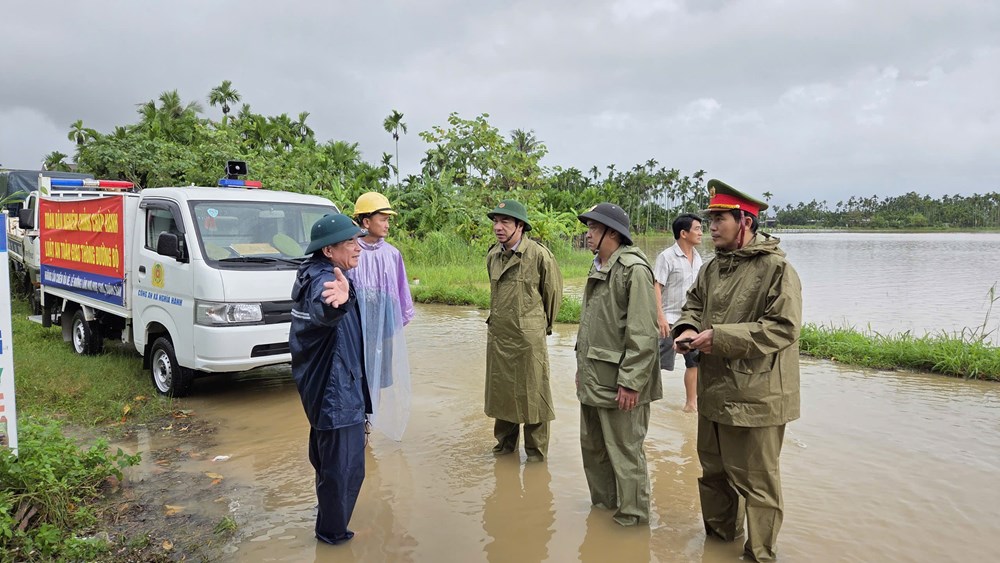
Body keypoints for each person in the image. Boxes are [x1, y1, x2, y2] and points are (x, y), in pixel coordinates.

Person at [672, 180, 802, 562]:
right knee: (714, 474)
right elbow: (693, 304)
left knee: (758, 484)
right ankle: (718, 542)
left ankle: (759, 554)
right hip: (714, 391)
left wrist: (721, 339)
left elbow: (784, 327)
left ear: (745, 221)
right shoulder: (712, 268)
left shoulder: (777, 270)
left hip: (758, 397)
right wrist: (689, 329)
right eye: (709, 219)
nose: (710, 226)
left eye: (719, 219)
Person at [574, 202, 662, 526]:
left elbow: (643, 333)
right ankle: (603, 511)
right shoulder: (598, 265)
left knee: (626, 454)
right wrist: (581, 370)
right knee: (594, 449)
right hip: (594, 377)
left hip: (621, 384)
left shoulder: (634, 270)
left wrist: (631, 382)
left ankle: (633, 523)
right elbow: (592, 325)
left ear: (612, 233)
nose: (588, 234)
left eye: (593, 229)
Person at [289, 213, 372, 545]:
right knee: (345, 472)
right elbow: (326, 310)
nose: (358, 248)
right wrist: (341, 301)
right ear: (328, 251)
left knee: (330, 466)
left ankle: (328, 521)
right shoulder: (326, 282)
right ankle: (333, 536)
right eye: (350, 242)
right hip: (336, 394)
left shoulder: (314, 273)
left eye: (357, 240)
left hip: (328, 389)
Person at [484, 199, 563, 462]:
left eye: (505, 221)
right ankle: (504, 450)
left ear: (520, 225)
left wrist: (538, 328)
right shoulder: (492, 255)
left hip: (529, 341)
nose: (498, 227)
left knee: (534, 396)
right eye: (496, 221)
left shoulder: (540, 255)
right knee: (502, 395)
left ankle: (536, 456)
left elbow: (552, 297)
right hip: (499, 338)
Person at [348, 191, 414, 441]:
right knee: (355, 378)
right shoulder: (351, 250)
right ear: (366, 222)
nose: (387, 224)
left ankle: (367, 427)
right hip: (355, 332)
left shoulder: (392, 255)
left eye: (388, 219)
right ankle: (357, 425)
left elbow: (401, 297)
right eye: (382, 218)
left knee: (377, 381)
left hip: (382, 333)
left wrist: (390, 330)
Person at [653, 213, 704, 413]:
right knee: (654, 363)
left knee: (694, 363)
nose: (701, 232)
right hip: (669, 321)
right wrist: (660, 317)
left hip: (690, 323)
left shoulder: (699, 258)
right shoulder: (666, 256)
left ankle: (691, 405)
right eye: (697, 228)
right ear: (683, 233)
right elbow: (656, 286)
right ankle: (638, 397)